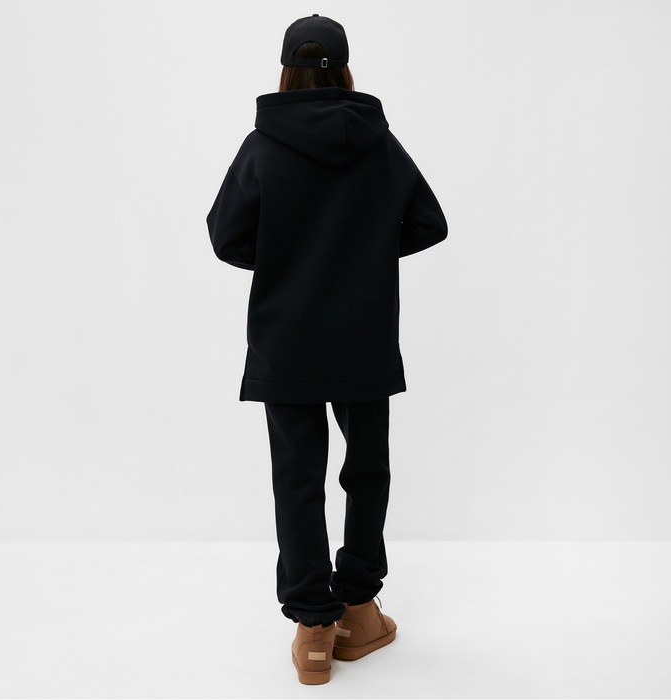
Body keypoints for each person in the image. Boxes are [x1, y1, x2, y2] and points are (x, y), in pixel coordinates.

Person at [207, 14, 448, 685]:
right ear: (344, 67)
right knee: (366, 468)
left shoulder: (263, 145)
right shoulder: (379, 143)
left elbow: (226, 236)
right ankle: (360, 611)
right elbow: (429, 223)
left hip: (287, 339)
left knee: (297, 476)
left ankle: (314, 631)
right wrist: (363, 253)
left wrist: (288, 259)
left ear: (286, 67)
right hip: (364, 333)